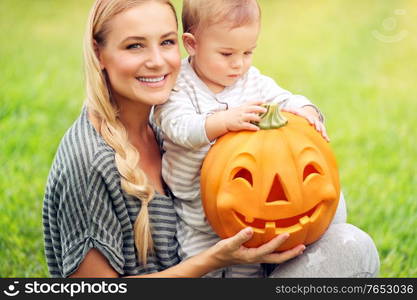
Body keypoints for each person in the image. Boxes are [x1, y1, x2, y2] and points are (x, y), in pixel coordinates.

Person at [42, 0, 307, 278]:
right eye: (135, 45)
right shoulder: (89, 163)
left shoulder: (164, 125)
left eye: (166, 42)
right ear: (99, 53)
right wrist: (213, 259)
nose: (157, 61)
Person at [154, 0, 380, 277]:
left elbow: (284, 99)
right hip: (199, 217)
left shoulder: (250, 80)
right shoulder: (179, 86)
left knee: (251, 268)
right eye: (226, 53)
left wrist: (307, 111)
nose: (238, 64)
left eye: (248, 52)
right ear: (192, 44)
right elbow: (178, 126)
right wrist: (223, 121)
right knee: (209, 272)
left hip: (251, 201)